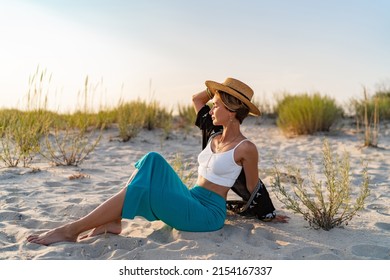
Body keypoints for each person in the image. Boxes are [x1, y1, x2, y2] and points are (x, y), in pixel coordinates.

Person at [27, 77, 262, 246]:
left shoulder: (246, 148)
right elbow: (197, 98)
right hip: (192, 196)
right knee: (152, 159)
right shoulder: (213, 132)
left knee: (143, 185)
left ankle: (73, 229)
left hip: (207, 214)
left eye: (217, 105)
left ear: (231, 111)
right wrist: (218, 91)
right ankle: (111, 220)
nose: (211, 110)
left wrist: (267, 213)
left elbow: (253, 188)